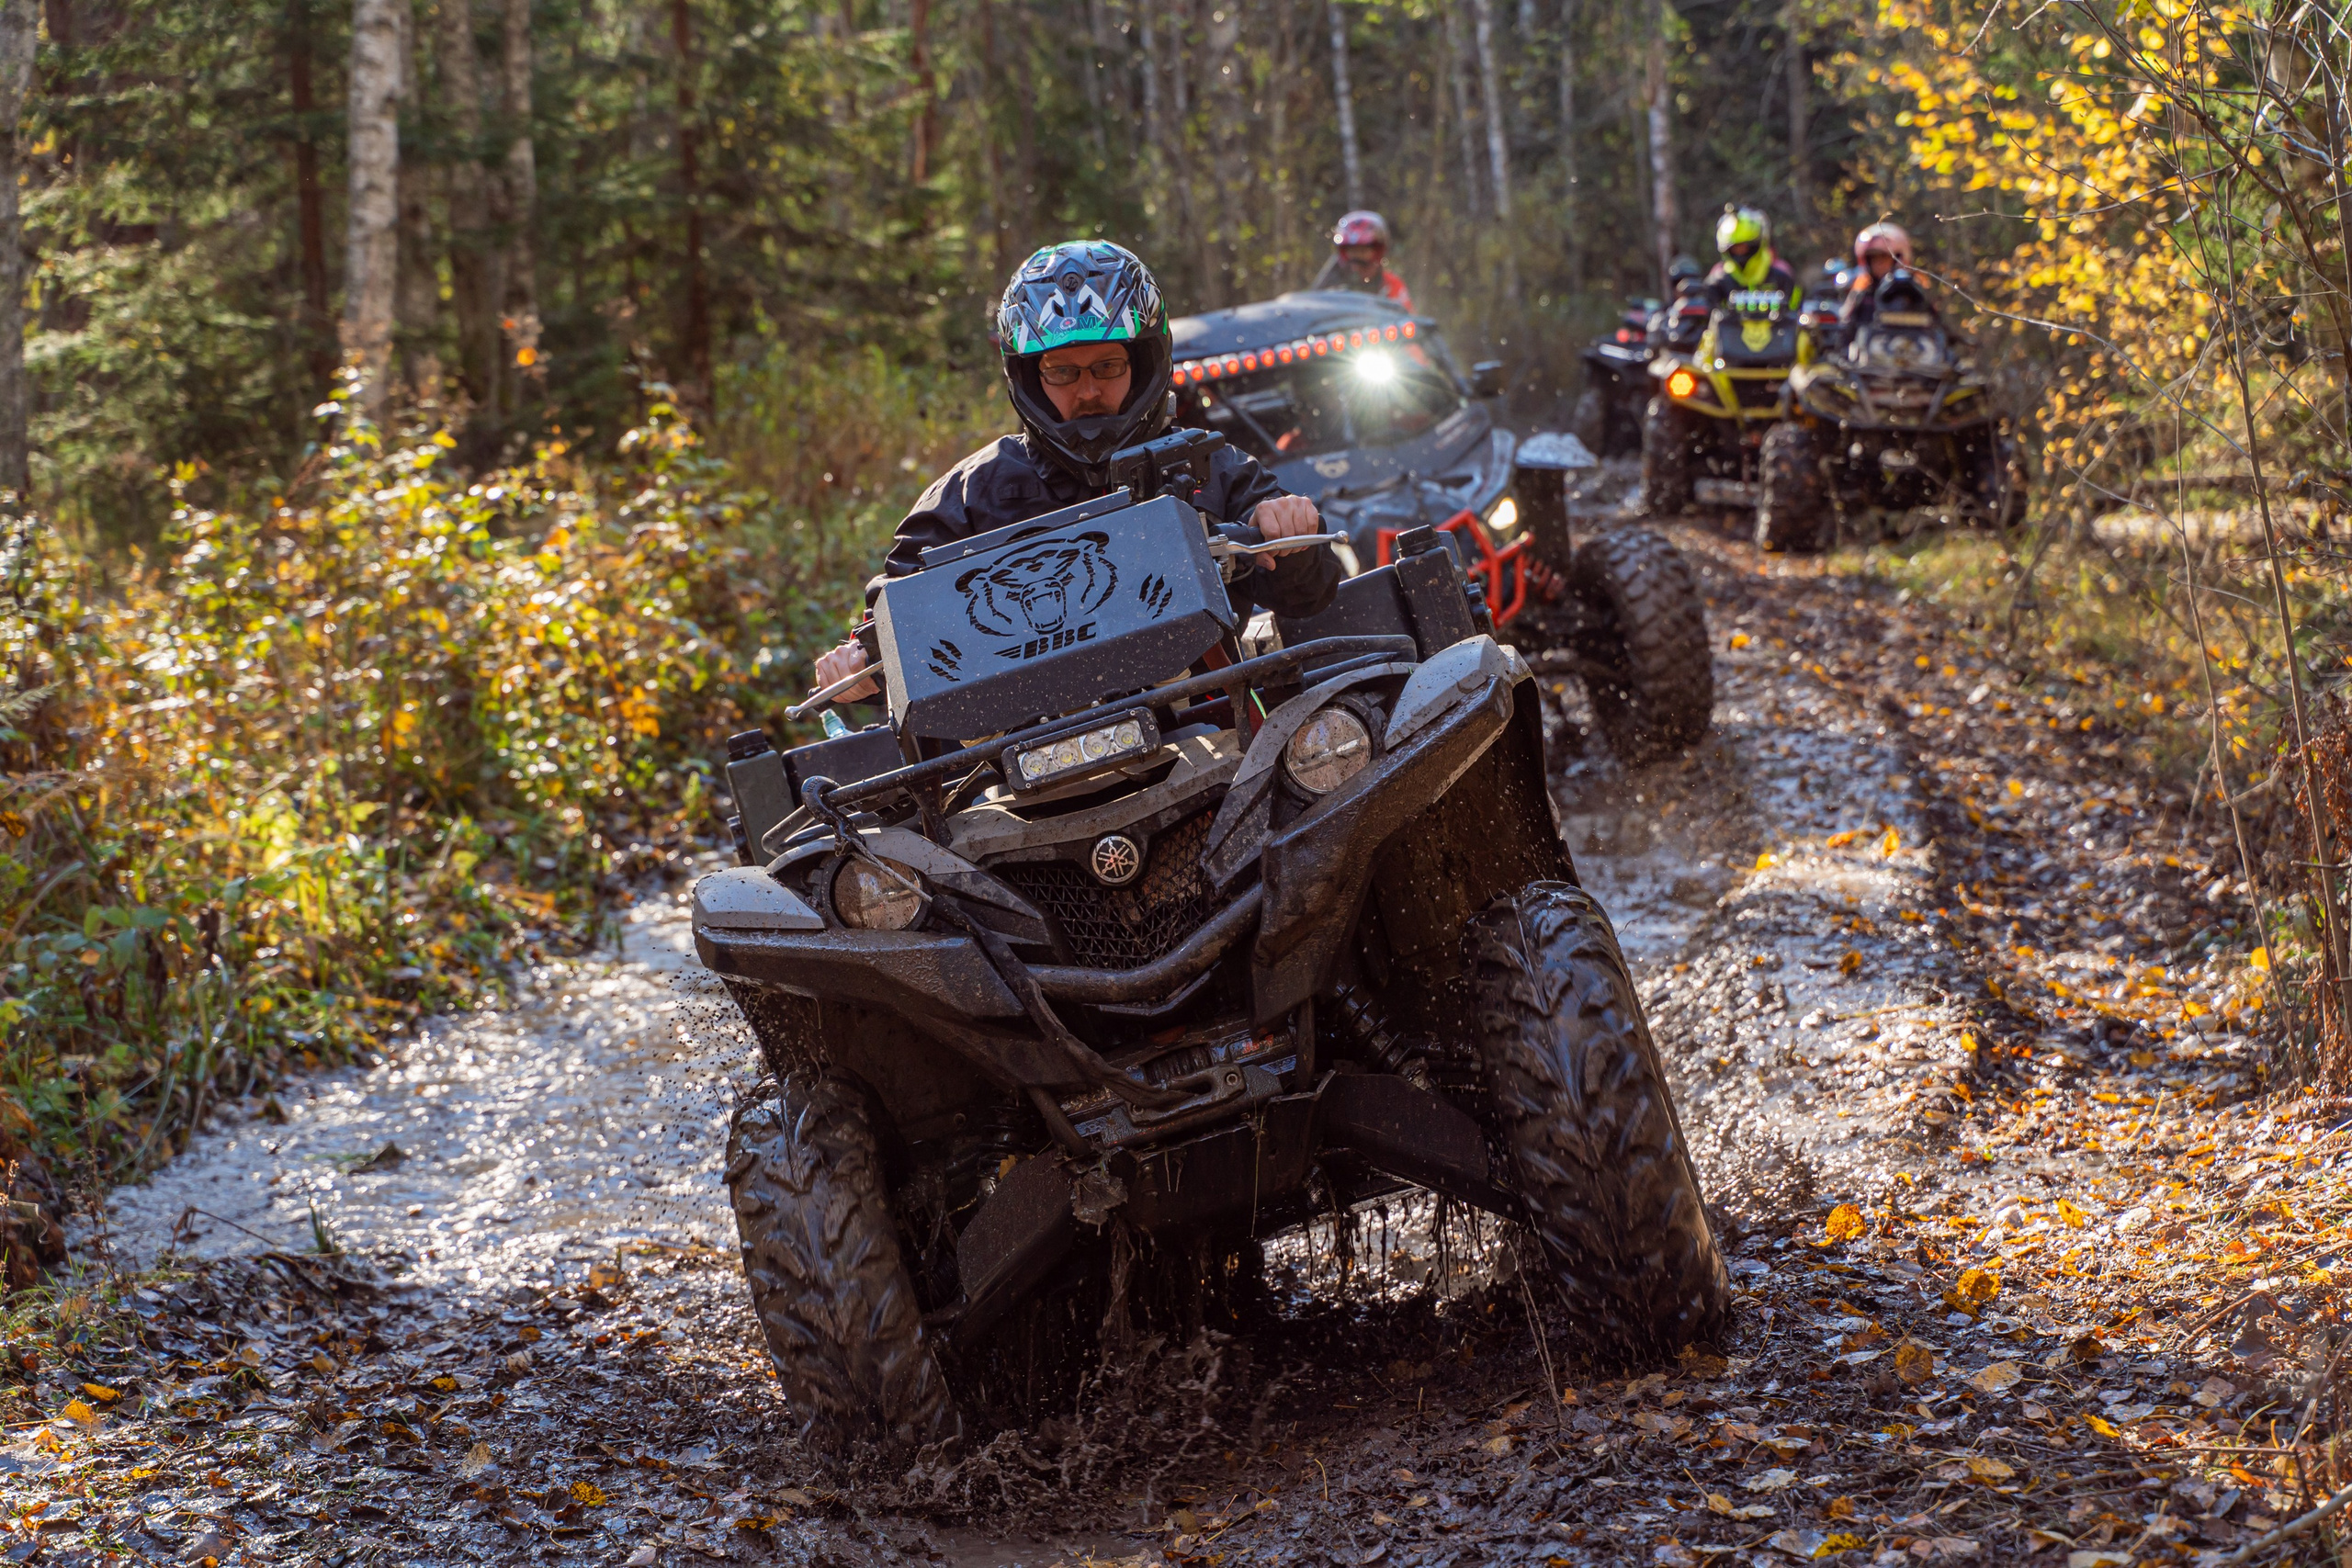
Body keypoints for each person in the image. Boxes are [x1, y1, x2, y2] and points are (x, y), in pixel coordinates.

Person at [811, 241, 1339, 704]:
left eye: (1106, 366)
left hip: (1213, 732)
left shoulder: (1211, 466)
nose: (1087, 391)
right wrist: (857, 664)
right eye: (1062, 371)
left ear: (1143, 363)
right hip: (1016, 765)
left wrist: (1288, 527)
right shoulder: (969, 494)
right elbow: (893, 610)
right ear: (1029, 377)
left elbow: (1310, 595)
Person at [1312, 211, 1415, 311]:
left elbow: (1409, 321)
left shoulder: (1391, 285)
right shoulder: (1329, 283)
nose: (1357, 258)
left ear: (1377, 252)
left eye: (1363, 251)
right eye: (1352, 251)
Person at [1703, 206, 1800, 306]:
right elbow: (1706, 315)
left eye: (1744, 246)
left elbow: (1797, 311)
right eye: (1735, 247)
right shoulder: (1717, 282)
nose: (1740, 251)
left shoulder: (1782, 278)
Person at [1839, 221, 1922, 337]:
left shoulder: (1915, 292)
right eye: (1874, 259)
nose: (1879, 264)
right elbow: (1846, 326)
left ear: (1896, 260)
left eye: (1884, 258)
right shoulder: (1862, 294)